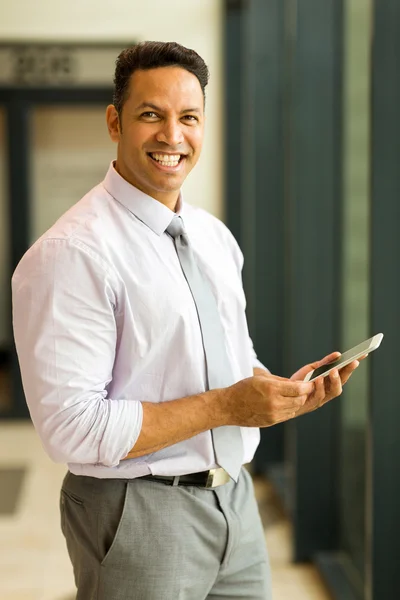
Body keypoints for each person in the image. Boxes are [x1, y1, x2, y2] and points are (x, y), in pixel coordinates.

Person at [11, 41, 359, 600]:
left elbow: (230, 356)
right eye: (151, 115)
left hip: (236, 505)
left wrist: (277, 390)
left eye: (189, 117)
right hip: (137, 514)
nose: (172, 136)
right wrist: (226, 406)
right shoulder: (70, 254)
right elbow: (70, 428)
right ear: (114, 121)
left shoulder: (214, 237)